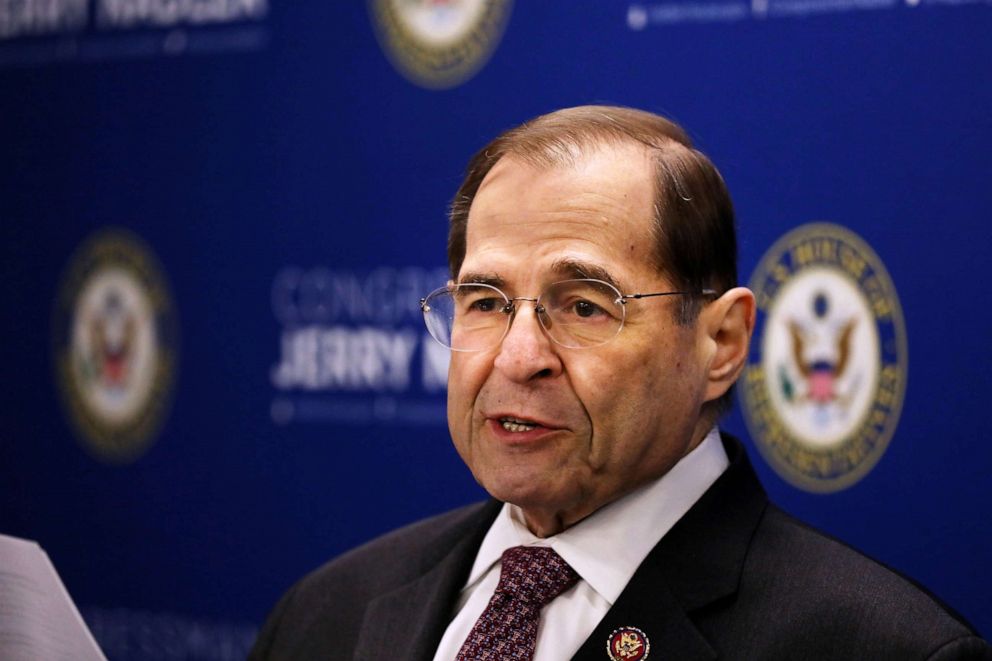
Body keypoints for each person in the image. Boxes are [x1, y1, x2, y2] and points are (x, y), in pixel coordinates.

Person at [250, 106, 990, 660]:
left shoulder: (883, 650)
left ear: (721, 343)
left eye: (582, 305)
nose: (517, 357)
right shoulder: (325, 614)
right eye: (485, 302)